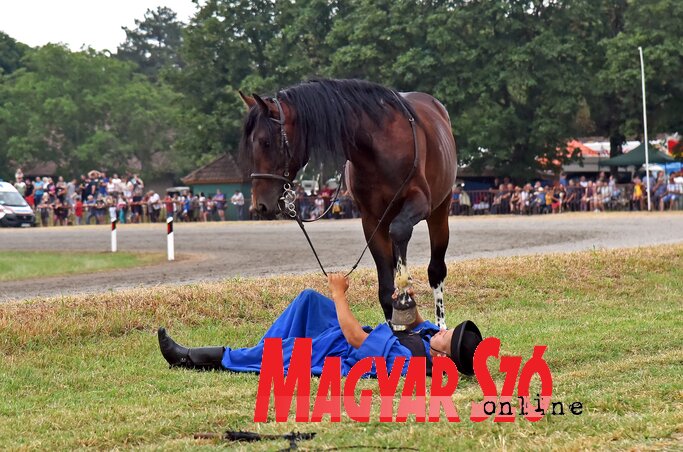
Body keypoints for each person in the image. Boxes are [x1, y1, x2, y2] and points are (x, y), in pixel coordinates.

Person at [158, 274, 483, 376]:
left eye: (448, 336)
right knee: (309, 301)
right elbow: (417, 323)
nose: (444, 329)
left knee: (277, 354)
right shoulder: (429, 338)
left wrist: (339, 293)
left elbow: (355, 337)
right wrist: (407, 302)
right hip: (349, 337)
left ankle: (187, 357)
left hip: (339, 351)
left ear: (443, 359)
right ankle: (261, 349)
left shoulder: (409, 361)